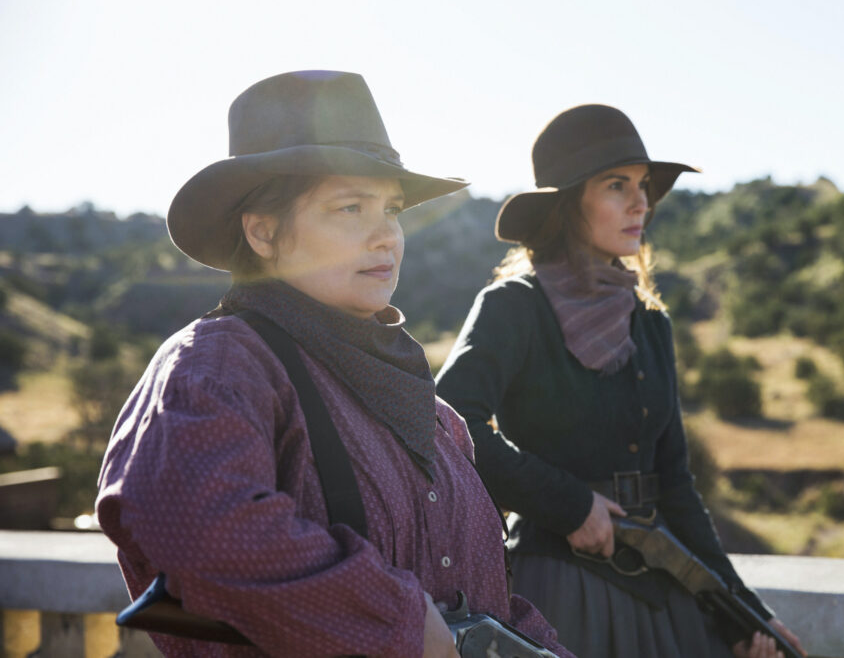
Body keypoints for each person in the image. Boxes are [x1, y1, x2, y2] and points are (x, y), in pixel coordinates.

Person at [95, 70, 571, 658]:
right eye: (350, 208)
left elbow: (488, 602)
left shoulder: (439, 420)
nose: (386, 236)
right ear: (264, 232)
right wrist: (397, 618)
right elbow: (197, 530)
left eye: (391, 209)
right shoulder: (219, 363)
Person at [435, 104, 806, 658]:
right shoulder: (514, 306)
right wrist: (568, 503)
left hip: (662, 581)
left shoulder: (650, 321)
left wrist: (746, 614)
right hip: (560, 587)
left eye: (643, 186)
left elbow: (675, 484)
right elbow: (447, 421)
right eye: (617, 185)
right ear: (567, 204)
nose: (641, 202)